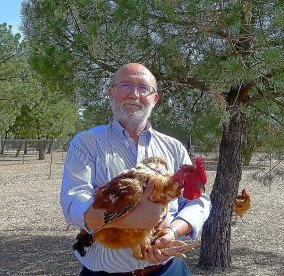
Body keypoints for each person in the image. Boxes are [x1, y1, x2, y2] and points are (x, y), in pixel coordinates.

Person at [60, 63, 211, 275]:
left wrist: (172, 230)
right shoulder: (86, 143)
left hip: (166, 269)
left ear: (155, 99)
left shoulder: (173, 147)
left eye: (143, 87)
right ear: (110, 93)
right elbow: (73, 202)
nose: (134, 94)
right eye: (125, 85)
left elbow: (198, 201)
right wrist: (135, 219)